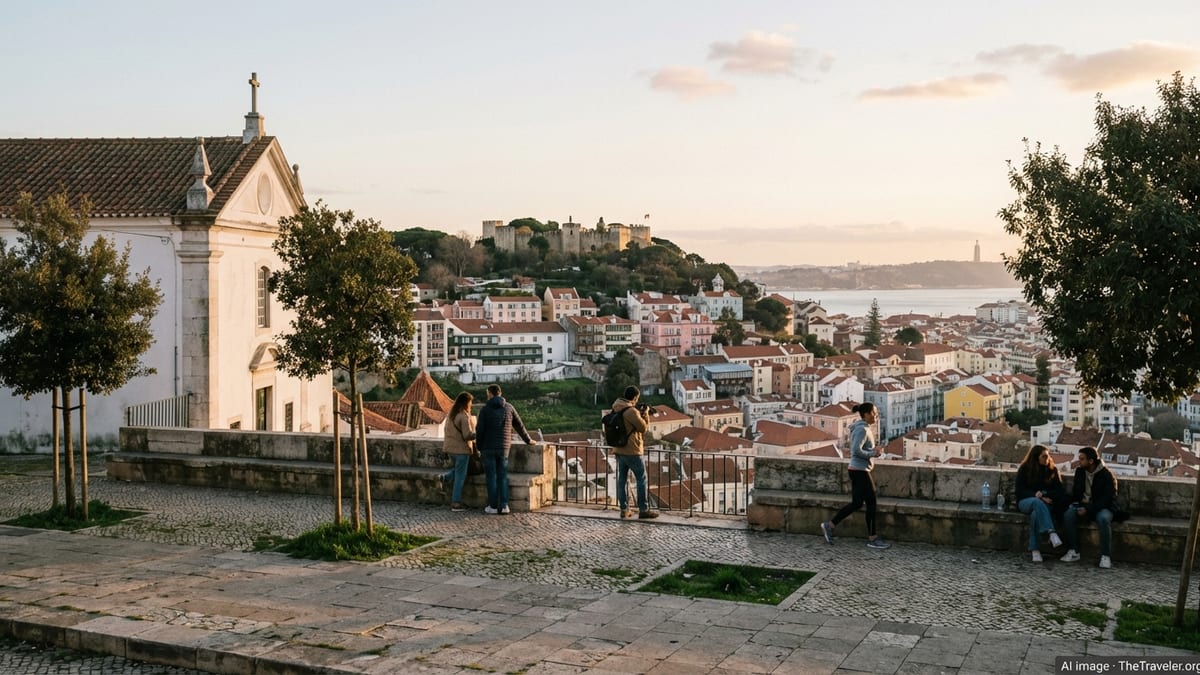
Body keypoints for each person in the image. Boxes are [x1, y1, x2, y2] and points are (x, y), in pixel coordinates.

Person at [820, 402, 890, 549]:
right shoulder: (862, 430)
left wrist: (874, 450)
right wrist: (873, 453)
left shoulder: (863, 428)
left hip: (857, 469)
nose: (876, 416)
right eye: (874, 413)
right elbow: (856, 451)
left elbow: (861, 449)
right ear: (866, 414)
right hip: (860, 470)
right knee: (871, 503)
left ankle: (829, 525)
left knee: (857, 503)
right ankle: (873, 538)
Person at [475, 384, 534, 515]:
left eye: (487, 393)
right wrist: (528, 440)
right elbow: (519, 426)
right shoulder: (509, 408)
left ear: (490, 394)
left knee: (491, 477)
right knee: (502, 476)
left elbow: (480, 431)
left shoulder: (485, 410)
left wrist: (478, 447)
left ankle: (493, 506)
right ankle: (504, 505)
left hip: (488, 448)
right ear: (500, 393)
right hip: (504, 448)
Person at [1060, 446, 1118, 569]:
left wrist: (1089, 509)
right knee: (1068, 515)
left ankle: (1105, 556)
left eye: (1082, 459)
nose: (1079, 461)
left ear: (1091, 461)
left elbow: (1107, 498)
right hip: (1083, 505)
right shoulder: (1080, 472)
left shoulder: (1106, 475)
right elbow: (1076, 493)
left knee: (1103, 519)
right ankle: (1074, 551)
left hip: (1103, 507)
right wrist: (1075, 504)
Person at [609, 385, 660, 520]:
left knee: (622, 480)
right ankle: (643, 509)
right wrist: (645, 414)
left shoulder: (616, 406)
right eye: (637, 398)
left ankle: (624, 509)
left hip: (619, 449)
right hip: (632, 450)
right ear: (635, 397)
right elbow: (643, 428)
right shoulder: (631, 411)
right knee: (641, 479)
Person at [1014, 444, 1066, 562]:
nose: (1046, 459)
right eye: (1043, 456)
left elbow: (1060, 490)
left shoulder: (1052, 470)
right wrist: (1036, 496)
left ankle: (1035, 550)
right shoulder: (1024, 469)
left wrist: (1044, 494)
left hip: (1045, 503)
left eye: (1048, 456)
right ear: (1036, 457)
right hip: (1026, 502)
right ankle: (1051, 532)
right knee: (1037, 503)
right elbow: (1020, 490)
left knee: (1035, 516)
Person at [441, 392, 476, 512]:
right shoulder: (463, 416)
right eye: (470, 402)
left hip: (450, 449)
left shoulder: (451, 415)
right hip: (461, 450)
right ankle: (456, 503)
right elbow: (467, 435)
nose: (471, 405)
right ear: (466, 403)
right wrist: (478, 433)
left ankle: (445, 477)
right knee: (461, 476)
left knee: (459, 470)